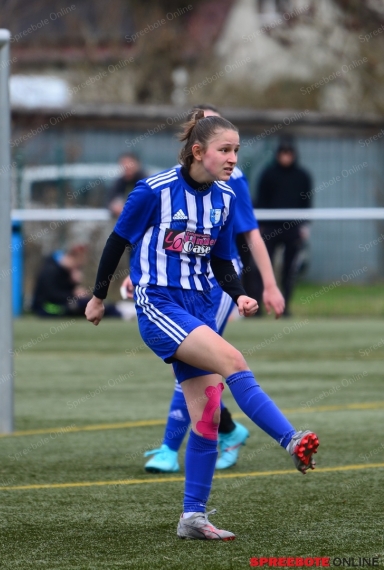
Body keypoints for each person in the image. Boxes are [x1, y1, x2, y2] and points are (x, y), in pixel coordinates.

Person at [85, 111, 319, 540]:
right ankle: (291, 438)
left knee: (208, 415)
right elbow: (117, 241)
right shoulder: (153, 191)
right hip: (158, 304)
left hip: (198, 308)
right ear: (198, 152)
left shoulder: (225, 198)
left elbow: (219, 260)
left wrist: (238, 293)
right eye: (225, 150)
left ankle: (192, 517)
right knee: (233, 359)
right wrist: (98, 297)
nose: (233, 159)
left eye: (236, 150)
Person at [123, 105, 286, 474]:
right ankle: (224, 434)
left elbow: (250, 233)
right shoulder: (178, 181)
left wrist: (269, 284)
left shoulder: (231, 182)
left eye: (234, 148)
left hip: (214, 287)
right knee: (197, 368)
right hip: (174, 287)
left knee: (211, 365)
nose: (230, 155)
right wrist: (140, 272)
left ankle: (172, 447)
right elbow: (160, 237)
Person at [255, 136, 312, 316]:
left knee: (289, 270)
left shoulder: (302, 176)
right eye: (283, 153)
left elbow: (307, 202)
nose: (286, 157)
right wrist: (260, 225)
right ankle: (258, 308)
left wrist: (305, 227)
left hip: (293, 228)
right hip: (270, 227)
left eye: (289, 153)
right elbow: (260, 199)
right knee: (263, 268)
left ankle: (284, 307)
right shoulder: (268, 173)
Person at [31, 243, 133, 319]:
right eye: (78, 265)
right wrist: (73, 294)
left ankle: (118, 309)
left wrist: (74, 284)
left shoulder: (65, 271)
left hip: (60, 302)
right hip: (46, 308)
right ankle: (120, 312)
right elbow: (52, 294)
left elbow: (64, 291)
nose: (78, 269)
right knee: (82, 304)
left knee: (85, 302)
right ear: (71, 258)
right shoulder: (50, 270)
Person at [105, 152, 146, 218]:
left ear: (137, 164)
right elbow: (109, 200)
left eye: (129, 163)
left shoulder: (145, 182)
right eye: (123, 163)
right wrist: (114, 206)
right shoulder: (119, 182)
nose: (126, 166)